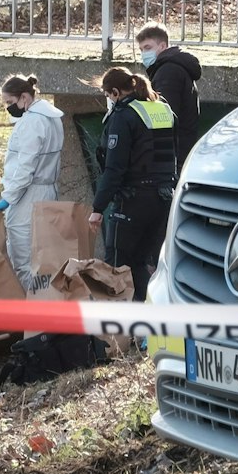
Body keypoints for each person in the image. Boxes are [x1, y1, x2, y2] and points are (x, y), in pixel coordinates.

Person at [88, 68, 176, 302]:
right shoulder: (162, 109)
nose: (109, 100)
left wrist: (98, 208)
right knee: (145, 263)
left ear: (115, 92)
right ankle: (147, 326)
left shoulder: (123, 116)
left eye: (108, 95)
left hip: (133, 200)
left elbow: (115, 168)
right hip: (163, 199)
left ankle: (120, 332)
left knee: (117, 265)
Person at [0, 74, 65, 291]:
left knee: (23, 258)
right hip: (48, 190)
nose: (8, 108)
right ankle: (45, 310)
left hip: (28, 195)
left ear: (24, 97)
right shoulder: (51, 117)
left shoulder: (31, 122)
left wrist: (8, 198)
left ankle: (28, 313)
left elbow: (24, 168)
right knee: (44, 256)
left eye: (10, 102)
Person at [136, 22, 202, 166]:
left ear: (163, 46)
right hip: (181, 148)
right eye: (141, 49)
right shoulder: (172, 68)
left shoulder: (167, 72)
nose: (144, 54)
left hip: (172, 154)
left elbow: (164, 115)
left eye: (148, 47)